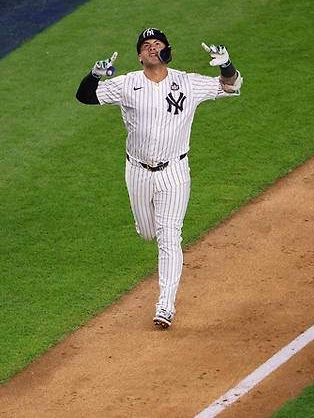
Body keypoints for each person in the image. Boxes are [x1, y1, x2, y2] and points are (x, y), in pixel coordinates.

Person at [75, 27, 243, 329]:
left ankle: (165, 305)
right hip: (137, 171)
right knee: (147, 232)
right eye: (146, 45)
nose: (152, 48)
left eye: (158, 44)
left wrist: (227, 64)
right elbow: (85, 97)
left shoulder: (187, 83)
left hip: (175, 172)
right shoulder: (127, 84)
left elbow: (230, 86)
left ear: (168, 51)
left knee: (169, 236)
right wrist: (94, 74)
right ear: (140, 56)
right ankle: (149, 235)